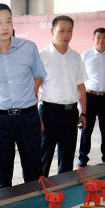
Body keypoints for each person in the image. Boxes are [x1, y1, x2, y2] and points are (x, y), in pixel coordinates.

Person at [0, 3, 46, 190]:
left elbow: (38, 75)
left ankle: (35, 205)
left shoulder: (28, 48)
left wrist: (30, 97)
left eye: (8, 21)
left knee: (34, 170)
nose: (5, 27)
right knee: (2, 174)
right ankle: (3, 206)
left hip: (28, 117)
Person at [39, 15, 87, 176]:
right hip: (48, 113)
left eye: (70, 31)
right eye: (61, 31)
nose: (66, 35)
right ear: (52, 31)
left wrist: (84, 113)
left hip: (70, 113)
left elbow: (81, 87)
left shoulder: (76, 57)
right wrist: (36, 117)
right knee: (43, 157)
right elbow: (34, 88)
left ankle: (63, 188)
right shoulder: (42, 56)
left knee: (67, 158)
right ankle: (39, 188)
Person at [78, 27, 105, 167]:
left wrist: (104, 85)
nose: (101, 40)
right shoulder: (85, 55)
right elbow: (80, 76)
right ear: (93, 39)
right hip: (90, 97)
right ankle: (83, 157)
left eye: (104, 38)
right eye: (98, 37)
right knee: (86, 129)